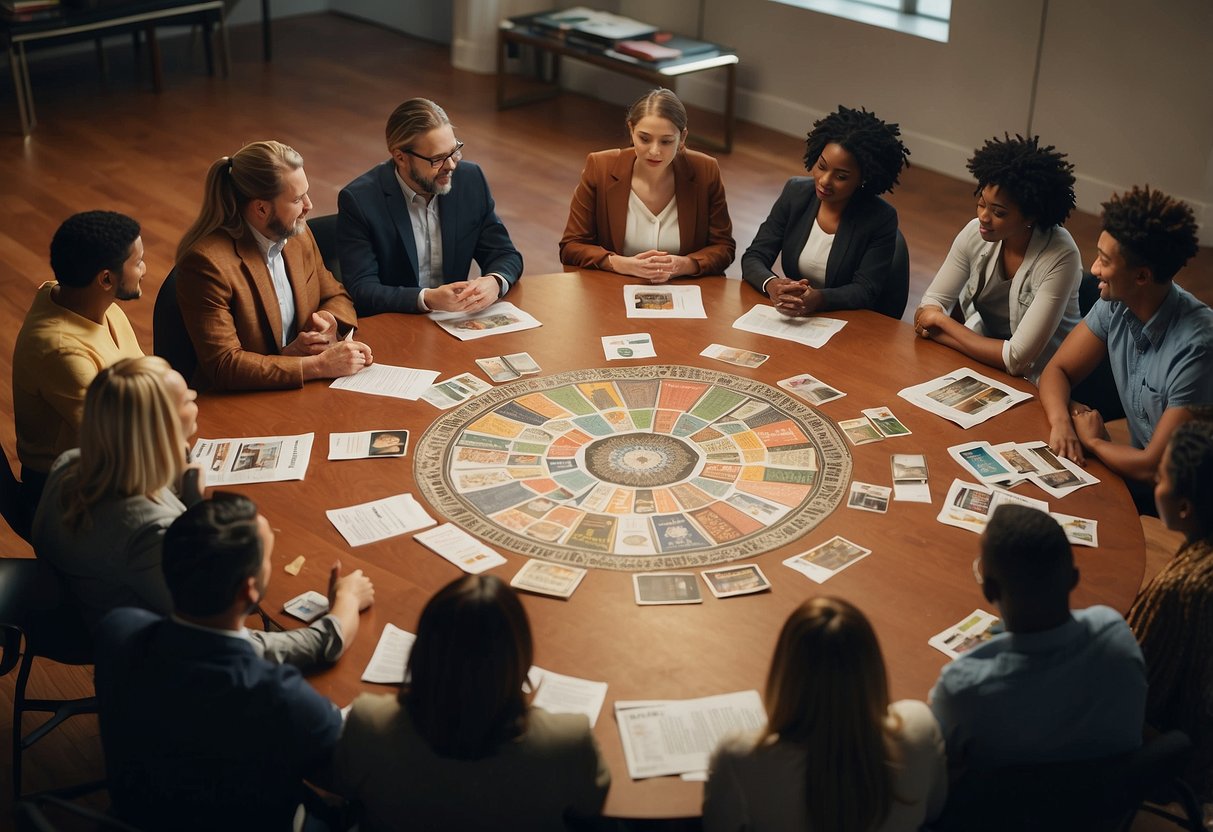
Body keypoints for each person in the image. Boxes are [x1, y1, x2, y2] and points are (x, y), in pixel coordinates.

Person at [31, 356, 373, 667]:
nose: (196, 396)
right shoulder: (149, 533)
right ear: (161, 430)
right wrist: (339, 615)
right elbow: (229, 640)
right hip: (151, 662)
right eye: (187, 398)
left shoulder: (70, 464)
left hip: (70, 609)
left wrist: (188, 497)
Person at [95, 495, 345, 831]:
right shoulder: (278, 694)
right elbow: (349, 769)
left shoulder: (119, 629)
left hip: (139, 812)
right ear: (250, 589)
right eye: (268, 557)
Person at [330, 574, 609, 831]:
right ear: (519, 655)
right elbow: (590, 805)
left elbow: (344, 785)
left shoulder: (368, 722)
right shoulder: (569, 740)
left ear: (422, 650)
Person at [929, 505, 1146, 771]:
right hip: (1106, 804)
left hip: (1001, 810)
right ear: (1074, 578)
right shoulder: (1117, 637)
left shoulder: (963, 688)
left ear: (989, 591)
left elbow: (936, 766)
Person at [704, 596, 946, 832]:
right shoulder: (920, 727)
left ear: (784, 673)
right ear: (873, 669)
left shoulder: (740, 759)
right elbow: (934, 810)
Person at [1039, 185, 1212, 501]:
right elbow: (1057, 371)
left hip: (1185, 494)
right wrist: (1062, 423)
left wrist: (1094, 442)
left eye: (1104, 260)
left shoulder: (1197, 350)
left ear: (1142, 277)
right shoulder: (1115, 302)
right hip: (1133, 465)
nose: (1093, 269)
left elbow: (1153, 468)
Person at [176, 140, 373, 391]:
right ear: (261, 208)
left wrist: (326, 320)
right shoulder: (207, 265)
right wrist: (318, 365)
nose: (309, 206)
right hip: (241, 402)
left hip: (302, 388)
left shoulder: (298, 235)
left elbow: (335, 293)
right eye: (298, 199)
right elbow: (224, 365)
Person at [914, 134, 1081, 382]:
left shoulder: (1061, 255)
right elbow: (929, 304)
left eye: (998, 212)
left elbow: (1017, 360)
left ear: (1031, 216)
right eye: (981, 203)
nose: (983, 217)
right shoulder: (975, 232)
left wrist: (942, 324)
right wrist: (939, 320)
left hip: (1045, 378)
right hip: (986, 357)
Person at [338, 98, 523, 315]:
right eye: (438, 159)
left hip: (454, 323)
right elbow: (363, 289)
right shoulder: (360, 200)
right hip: (396, 323)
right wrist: (426, 298)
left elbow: (504, 253)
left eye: (455, 151)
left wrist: (494, 282)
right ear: (400, 157)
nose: (451, 165)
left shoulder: (470, 180)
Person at [12, 210, 145, 499]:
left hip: (118, 454)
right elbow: (118, 437)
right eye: (138, 262)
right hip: (72, 490)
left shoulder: (86, 300)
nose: (144, 269)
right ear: (106, 279)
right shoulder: (60, 352)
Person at [741, 105, 910, 316]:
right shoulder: (795, 193)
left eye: (841, 176)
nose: (824, 181)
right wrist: (773, 285)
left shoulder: (880, 218)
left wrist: (819, 299)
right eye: (822, 166)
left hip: (849, 320)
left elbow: (865, 290)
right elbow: (754, 256)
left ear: (863, 179)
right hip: (797, 316)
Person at [559, 87, 735, 281]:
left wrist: (686, 264)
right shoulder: (600, 167)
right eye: (644, 138)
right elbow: (571, 246)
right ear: (631, 129)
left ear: (682, 138)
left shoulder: (706, 170)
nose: (654, 151)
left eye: (666, 142)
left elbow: (724, 248)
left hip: (684, 292)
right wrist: (619, 263)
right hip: (612, 290)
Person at [1126, 419, 1213, 798]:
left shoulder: (1186, 587)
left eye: (1159, 478)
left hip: (1182, 750)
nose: (1154, 485)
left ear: (1183, 507)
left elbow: (1134, 681)